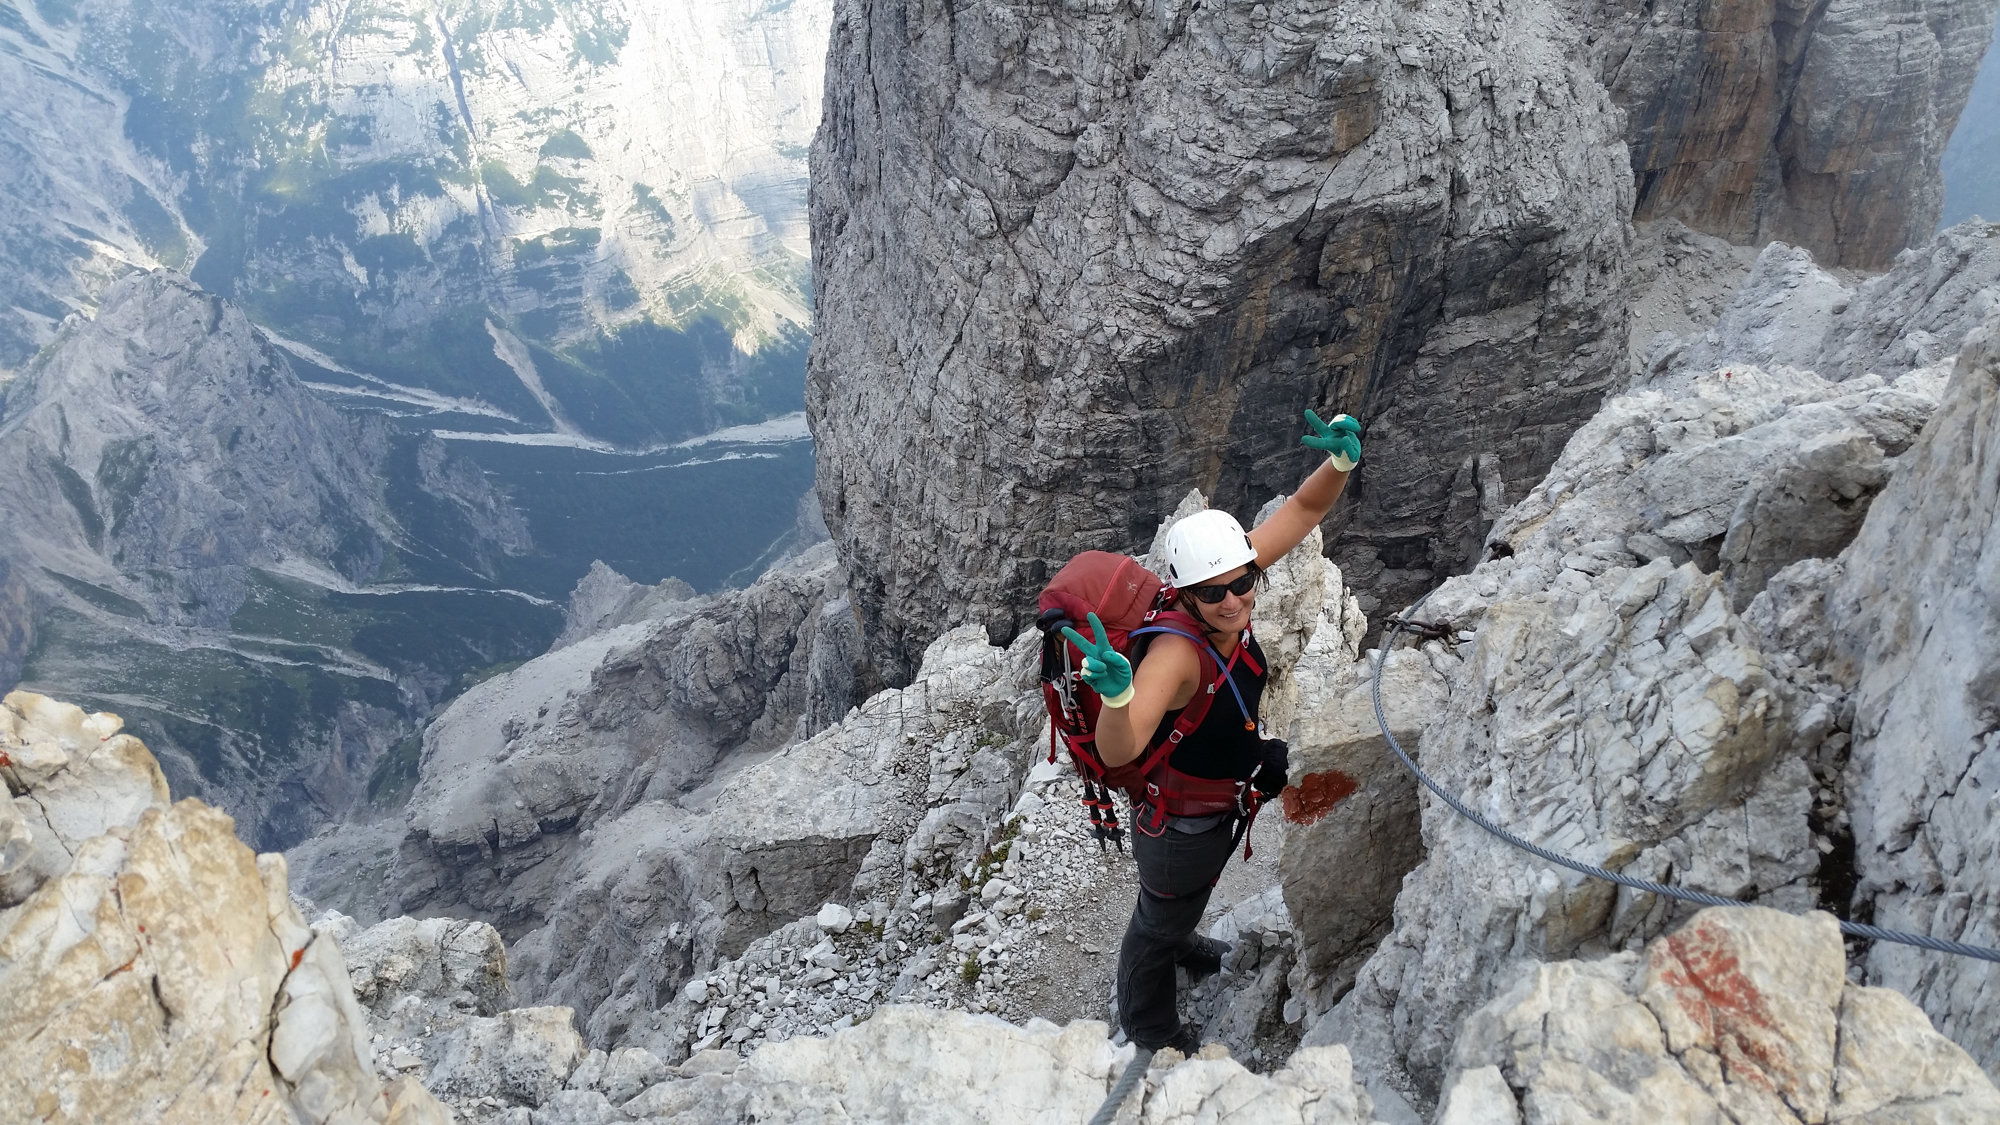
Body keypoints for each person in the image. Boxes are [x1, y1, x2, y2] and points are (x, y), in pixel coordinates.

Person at [1062, 409, 1362, 1055]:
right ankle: (1149, 1024)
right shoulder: (1176, 656)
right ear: (1186, 593)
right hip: (1180, 824)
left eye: (1244, 582)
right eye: (1214, 591)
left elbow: (1304, 512)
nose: (1234, 600)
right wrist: (1118, 695)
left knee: (1180, 904)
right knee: (1154, 921)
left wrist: (1338, 464)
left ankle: (1182, 933)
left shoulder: (1228, 582)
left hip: (1211, 803)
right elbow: (1123, 746)